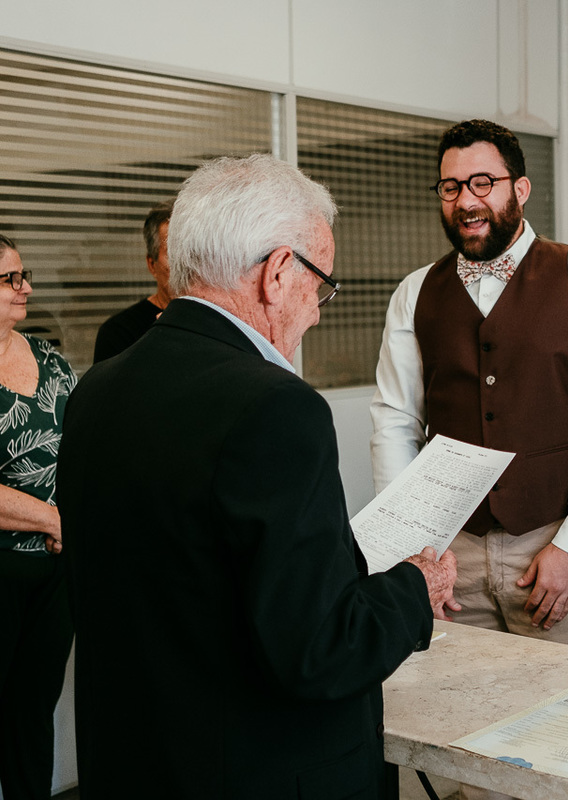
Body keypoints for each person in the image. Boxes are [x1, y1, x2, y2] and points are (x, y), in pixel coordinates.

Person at [57, 154, 458, 800]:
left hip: (133, 765)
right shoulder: (278, 409)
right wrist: (415, 586)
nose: (319, 312)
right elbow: (319, 648)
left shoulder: (96, 392)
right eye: (320, 284)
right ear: (277, 272)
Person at [371, 119, 568, 652]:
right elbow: (395, 420)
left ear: (519, 188)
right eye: (450, 187)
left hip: (555, 541)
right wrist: (413, 547)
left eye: (482, 182)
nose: (465, 200)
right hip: (451, 551)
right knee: (455, 711)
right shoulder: (414, 293)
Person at [0, 234, 76, 800]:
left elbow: (84, 446)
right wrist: (52, 520)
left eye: (24, 276)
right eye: (10, 279)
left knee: (33, 710)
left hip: (55, 573)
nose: (25, 288)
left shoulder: (49, 358)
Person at [93, 199, 174, 361]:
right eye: (173, 253)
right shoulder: (119, 333)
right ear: (152, 264)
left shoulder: (217, 320)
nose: (185, 264)